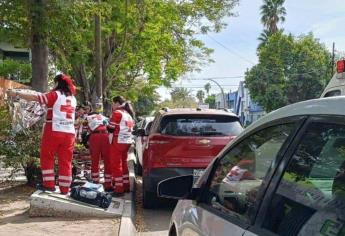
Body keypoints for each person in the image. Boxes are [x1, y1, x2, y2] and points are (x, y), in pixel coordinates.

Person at [7, 74, 77, 194]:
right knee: (66, 161)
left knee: (47, 156)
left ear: (58, 83)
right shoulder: (73, 99)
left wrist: (16, 94)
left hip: (54, 129)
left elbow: (36, 97)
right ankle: (65, 188)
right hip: (69, 132)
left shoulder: (55, 95)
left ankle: (49, 184)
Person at [108, 96, 135, 196]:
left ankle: (119, 189)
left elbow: (111, 128)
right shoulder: (128, 114)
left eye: (112, 103)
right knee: (123, 163)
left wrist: (107, 124)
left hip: (117, 141)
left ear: (117, 103)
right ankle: (126, 185)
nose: (112, 105)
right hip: (127, 142)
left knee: (116, 164)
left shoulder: (117, 113)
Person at [86, 103, 112, 190]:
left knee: (95, 160)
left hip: (95, 137)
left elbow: (86, 129)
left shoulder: (88, 117)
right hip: (105, 136)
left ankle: (95, 181)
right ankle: (108, 183)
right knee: (107, 160)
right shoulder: (104, 117)